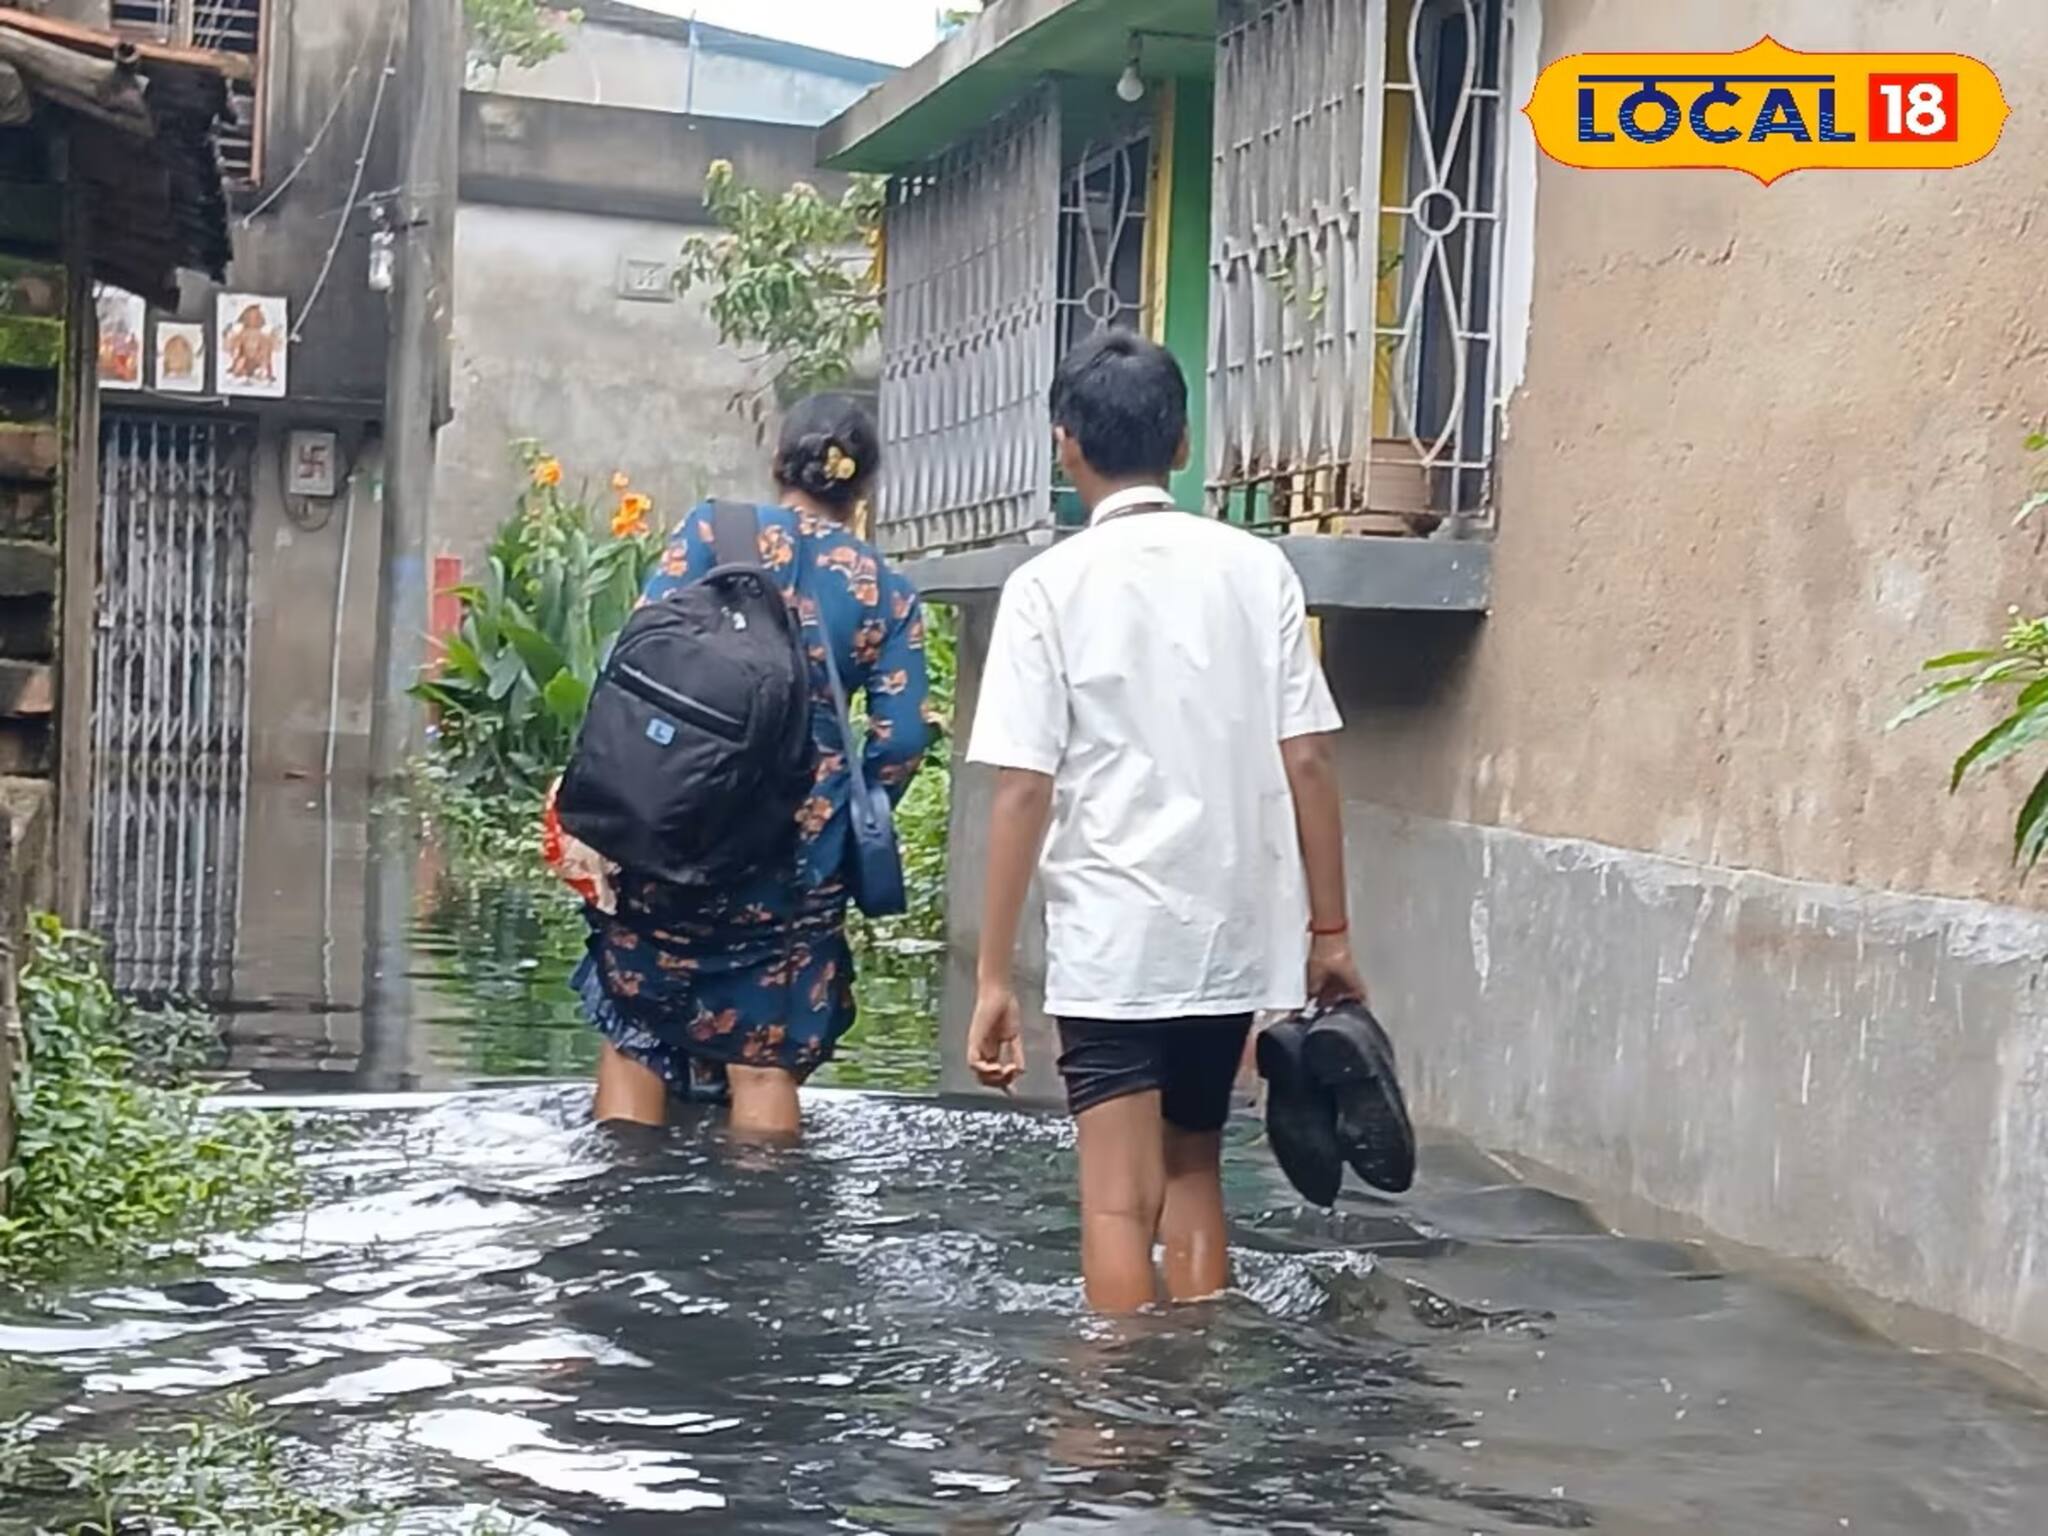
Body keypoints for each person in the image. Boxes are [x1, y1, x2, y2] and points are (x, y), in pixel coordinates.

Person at [964, 331, 1366, 1313]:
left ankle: (1114, 1437)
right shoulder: (1254, 570)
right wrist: (1328, 932)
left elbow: (1022, 789)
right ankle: (1190, 1395)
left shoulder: (1044, 589)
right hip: (1224, 931)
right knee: (1193, 1169)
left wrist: (989, 977)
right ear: (1181, 445)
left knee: (1111, 1206)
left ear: (1065, 447)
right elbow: (1306, 755)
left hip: (1111, 935)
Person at [553, 396, 934, 1140]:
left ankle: (616, 1219)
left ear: (777, 463)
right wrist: (839, 818)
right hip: (791, 865)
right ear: (863, 491)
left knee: (636, 1033)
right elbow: (902, 739)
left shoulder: (710, 531)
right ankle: (762, 1235)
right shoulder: (886, 590)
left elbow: (630, 662)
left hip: (670, 829)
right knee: (763, 1060)